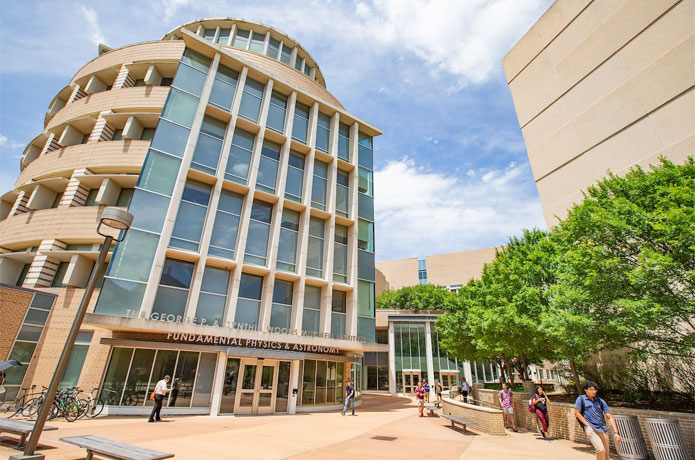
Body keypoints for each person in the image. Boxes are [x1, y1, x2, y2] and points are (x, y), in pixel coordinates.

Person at [575, 381, 622, 460]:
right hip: (591, 428)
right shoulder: (581, 399)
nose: (594, 391)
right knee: (600, 450)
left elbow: (609, 417)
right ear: (585, 390)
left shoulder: (600, 401)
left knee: (606, 453)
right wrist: (587, 425)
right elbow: (577, 413)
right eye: (591, 389)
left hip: (602, 428)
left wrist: (616, 432)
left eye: (595, 390)